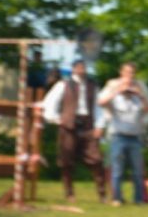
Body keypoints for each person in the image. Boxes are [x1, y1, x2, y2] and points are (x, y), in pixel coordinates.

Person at [41, 59, 106, 202]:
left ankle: (102, 194)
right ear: (74, 69)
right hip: (69, 126)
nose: (82, 70)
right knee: (66, 160)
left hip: (88, 125)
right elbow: (49, 103)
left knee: (96, 159)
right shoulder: (64, 84)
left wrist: (100, 125)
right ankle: (69, 193)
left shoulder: (92, 85)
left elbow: (98, 107)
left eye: (84, 67)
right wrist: (57, 119)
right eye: (79, 67)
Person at [97, 61, 148, 206]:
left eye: (132, 73)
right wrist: (117, 90)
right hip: (118, 135)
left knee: (137, 170)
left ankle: (139, 199)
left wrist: (140, 95)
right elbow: (101, 102)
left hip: (135, 136)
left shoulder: (138, 91)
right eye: (127, 73)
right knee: (117, 170)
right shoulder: (114, 89)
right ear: (121, 73)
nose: (130, 76)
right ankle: (117, 198)